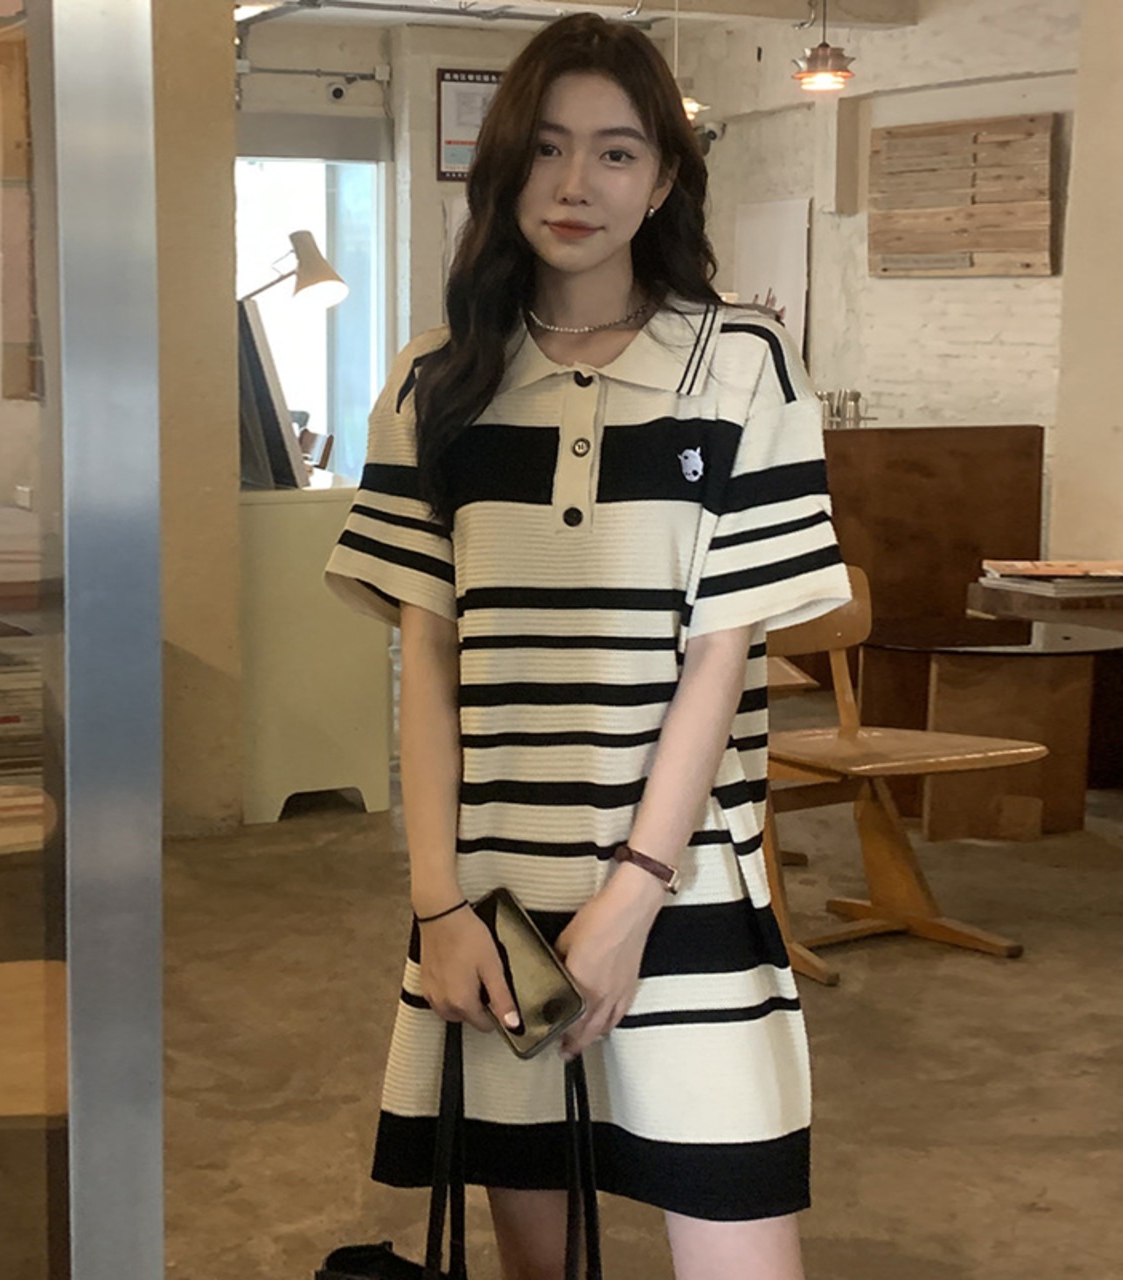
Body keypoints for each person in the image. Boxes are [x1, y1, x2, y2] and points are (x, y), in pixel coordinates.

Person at [325, 13, 849, 1280]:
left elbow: (720, 656)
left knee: (739, 1238)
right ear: (501, 166)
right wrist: (437, 903)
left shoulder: (743, 365)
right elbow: (427, 666)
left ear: (662, 180)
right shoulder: (436, 381)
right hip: (494, 891)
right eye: (547, 147)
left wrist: (630, 897)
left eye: (616, 152)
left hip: (682, 878)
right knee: (538, 1254)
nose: (576, 184)